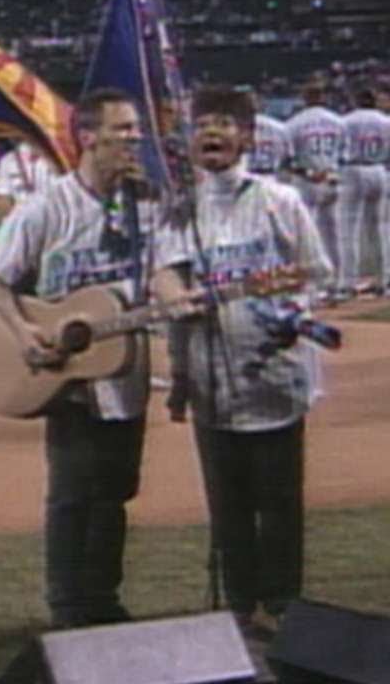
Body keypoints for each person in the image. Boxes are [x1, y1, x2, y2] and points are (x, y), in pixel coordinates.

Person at [0, 88, 187, 629]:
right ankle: (69, 605)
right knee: (74, 491)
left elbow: (160, 269)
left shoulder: (147, 204)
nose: (135, 139)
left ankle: (102, 597)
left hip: (125, 367)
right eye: (123, 130)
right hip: (69, 377)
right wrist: (23, 329)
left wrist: (177, 299)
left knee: (116, 490)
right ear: (88, 137)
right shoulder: (47, 205)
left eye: (137, 129)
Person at [163, 85, 332, 639]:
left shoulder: (278, 200)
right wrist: (180, 371)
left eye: (224, 123)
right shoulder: (180, 208)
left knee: (279, 504)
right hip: (212, 384)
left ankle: (283, 605)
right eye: (202, 123)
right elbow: (168, 281)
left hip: (274, 381)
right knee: (228, 508)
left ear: (248, 137)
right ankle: (239, 606)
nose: (212, 132)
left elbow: (315, 271)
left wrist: (290, 314)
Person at [284, 80, 344, 299]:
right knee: (334, 235)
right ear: (323, 96)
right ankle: (337, 284)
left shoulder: (293, 123)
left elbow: (287, 160)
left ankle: (313, 287)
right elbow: (345, 155)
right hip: (332, 178)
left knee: (306, 235)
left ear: (304, 97)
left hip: (306, 181)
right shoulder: (338, 121)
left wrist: (310, 174)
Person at [340, 88, 390, 294]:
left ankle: (349, 281)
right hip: (379, 169)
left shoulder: (346, 121)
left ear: (356, 100)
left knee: (349, 229)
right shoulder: (386, 121)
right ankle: (384, 279)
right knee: (378, 228)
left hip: (354, 169)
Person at [0, 139, 55, 212]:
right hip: (24, 211)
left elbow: (3, 196)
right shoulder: (8, 160)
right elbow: (3, 194)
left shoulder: (52, 160)